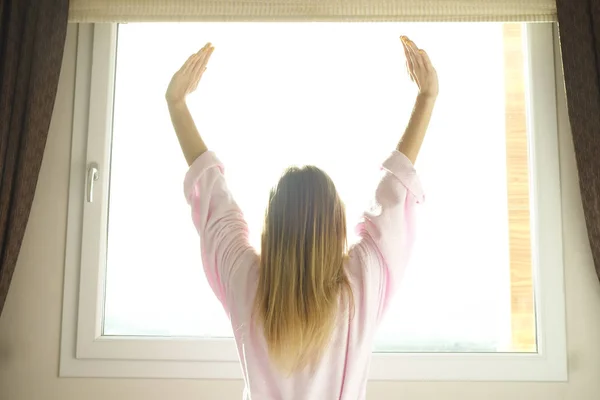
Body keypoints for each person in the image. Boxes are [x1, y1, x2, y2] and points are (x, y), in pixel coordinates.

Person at [165, 36, 438, 400]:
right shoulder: (359, 286)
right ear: (336, 227)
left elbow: (213, 194)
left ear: (272, 228)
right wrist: (426, 98)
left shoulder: (245, 279)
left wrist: (177, 104)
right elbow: (394, 192)